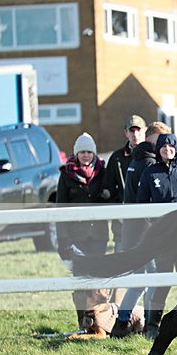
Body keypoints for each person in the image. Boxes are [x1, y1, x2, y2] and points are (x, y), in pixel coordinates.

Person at [110, 121, 171, 338]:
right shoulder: (149, 163)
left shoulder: (137, 159)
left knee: (140, 281)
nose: (165, 145)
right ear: (153, 139)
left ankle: (122, 322)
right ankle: (146, 323)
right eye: (162, 141)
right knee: (151, 278)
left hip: (133, 229)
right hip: (144, 230)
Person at [137, 133, 177, 337]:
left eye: (171, 146)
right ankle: (153, 325)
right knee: (163, 281)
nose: (167, 150)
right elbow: (141, 204)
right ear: (158, 150)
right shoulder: (150, 173)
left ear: (176, 148)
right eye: (163, 147)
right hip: (163, 239)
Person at [56, 132, 110, 330]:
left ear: (94, 153)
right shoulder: (66, 175)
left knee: (97, 278)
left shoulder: (103, 172)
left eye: (89, 152)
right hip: (76, 235)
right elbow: (60, 208)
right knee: (80, 279)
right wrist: (63, 239)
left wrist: (107, 197)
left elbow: (111, 197)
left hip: (98, 235)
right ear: (76, 154)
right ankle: (82, 322)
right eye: (82, 152)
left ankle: (98, 321)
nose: (86, 155)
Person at [103, 114, 147, 303]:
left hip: (148, 224)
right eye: (131, 130)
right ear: (126, 133)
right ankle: (117, 310)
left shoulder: (152, 155)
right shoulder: (117, 159)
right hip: (123, 224)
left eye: (138, 130)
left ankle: (148, 313)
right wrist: (118, 212)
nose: (135, 134)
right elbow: (107, 190)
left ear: (145, 131)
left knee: (149, 270)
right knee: (122, 267)